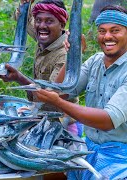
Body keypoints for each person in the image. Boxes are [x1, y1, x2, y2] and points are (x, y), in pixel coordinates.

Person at [34, 5, 127, 179]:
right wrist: (73, 55)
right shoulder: (95, 61)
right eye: (102, 31)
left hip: (120, 156)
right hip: (89, 148)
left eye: (115, 30)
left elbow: (108, 120)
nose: (107, 36)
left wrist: (58, 102)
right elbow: (63, 91)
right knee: (47, 169)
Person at [0, 0, 84, 137]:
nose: (42, 26)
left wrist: (18, 77)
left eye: (49, 21)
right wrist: (25, 3)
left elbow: (48, 96)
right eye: (38, 20)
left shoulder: (65, 54)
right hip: (41, 118)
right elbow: (24, 20)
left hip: (63, 127)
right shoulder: (46, 36)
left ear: (62, 24)